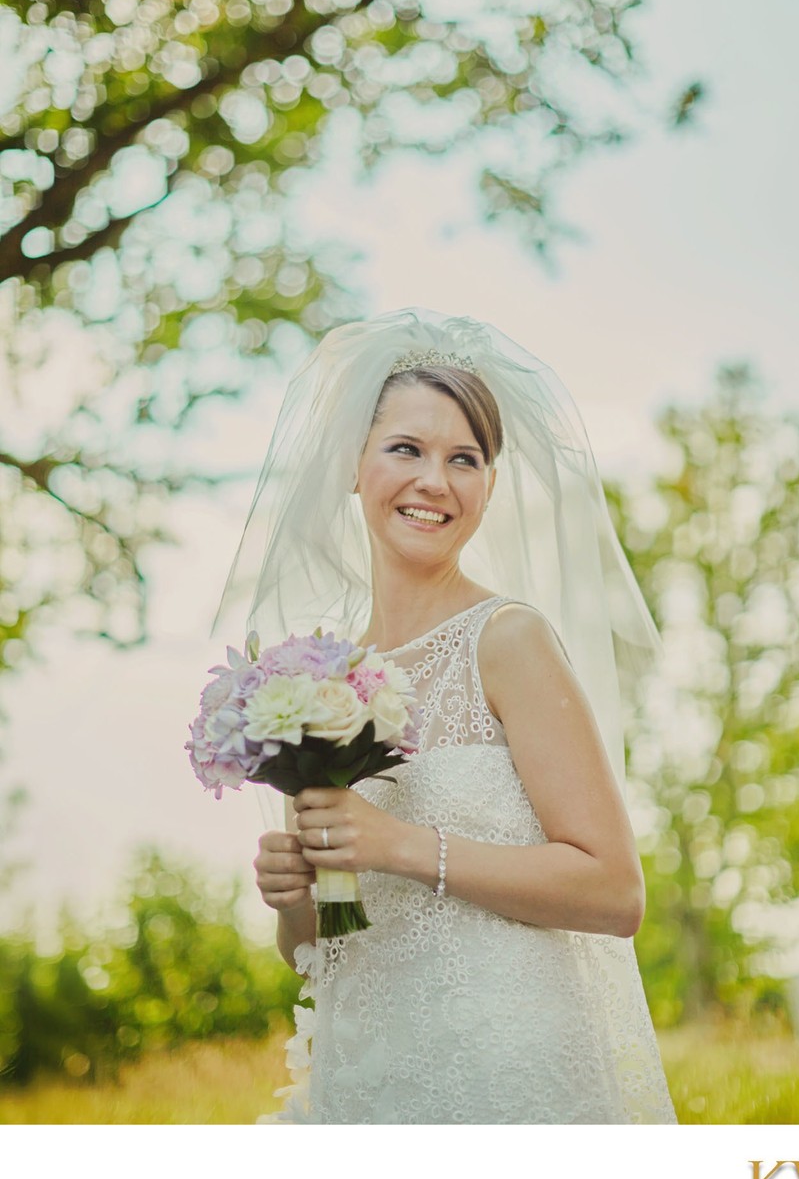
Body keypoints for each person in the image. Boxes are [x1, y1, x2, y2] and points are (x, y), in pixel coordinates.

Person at [212, 308, 677, 1124]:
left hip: (504, 1079)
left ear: (488, 485)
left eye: (465, 458)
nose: (435, 480)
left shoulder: (508, 640)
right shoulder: (317, 683)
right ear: (352, 465)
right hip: (367, 1082)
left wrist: (396, 844)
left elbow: (613, 890)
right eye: (406, 449)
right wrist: (292, 898)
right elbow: (313, 949)